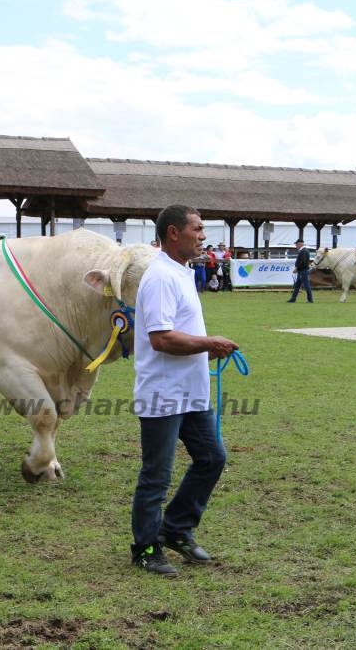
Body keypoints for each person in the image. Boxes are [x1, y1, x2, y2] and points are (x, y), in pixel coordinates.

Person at [130, 204, 239, 576]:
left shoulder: (182, 272)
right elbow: (161, 339)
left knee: (212, 458)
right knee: (156, 475)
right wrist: (210, 343)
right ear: (174, 233)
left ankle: (176, 528)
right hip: (163, 392)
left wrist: (206, 352)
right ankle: (145, 547)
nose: (203, 236)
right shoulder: (160, 276)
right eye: (197, 229)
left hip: (191, 391)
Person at [286, 238, 313, 303]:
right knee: (297, 286)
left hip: (303, 271)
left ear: (300, 244)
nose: (296, 246)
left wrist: (297, 268)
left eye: (296, 244)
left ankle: (310, 299)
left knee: (306, 286)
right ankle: (293, 299)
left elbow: (302, 262)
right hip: (302, 271)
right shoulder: (304, 250)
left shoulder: (303, 251)